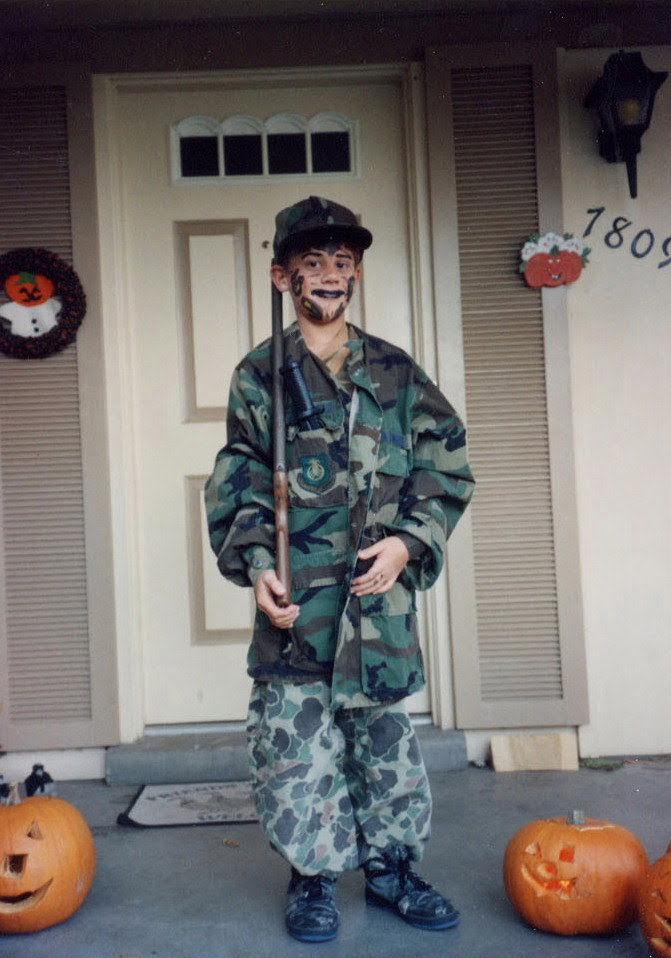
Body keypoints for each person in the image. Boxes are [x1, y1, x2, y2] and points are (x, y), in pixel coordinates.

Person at [204, 195, 475, 943]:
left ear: (355, 274)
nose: (330, 274)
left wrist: (408, 543)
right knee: (297, 745)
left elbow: (446, 465)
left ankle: (392, 871)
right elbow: (240, 475)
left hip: (374, 604)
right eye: (313, 261)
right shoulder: (260, 374)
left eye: (343, 262)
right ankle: (314, 877)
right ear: (282, 275)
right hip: (298, 604)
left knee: (384, 743)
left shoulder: (394, 371)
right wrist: (258, 564)